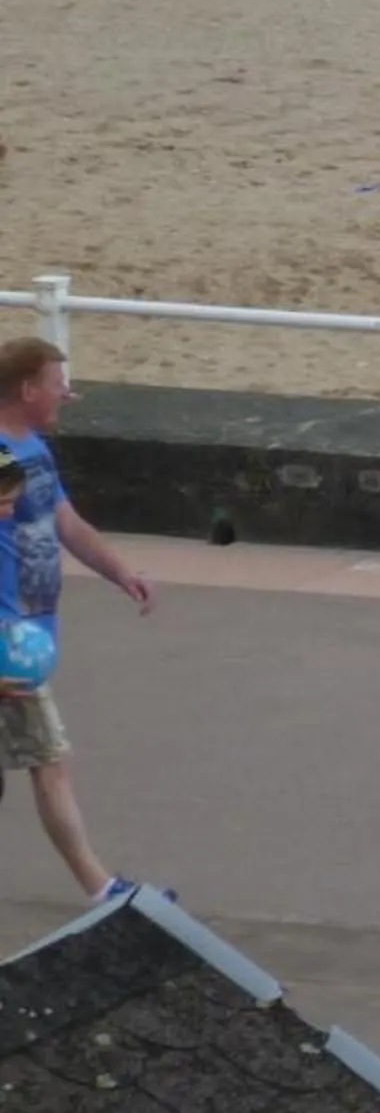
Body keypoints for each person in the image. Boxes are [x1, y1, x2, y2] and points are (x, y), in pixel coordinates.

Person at [0, 339, 159, 901]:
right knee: (50, 758)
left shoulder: (34, 454)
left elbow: (66, 523)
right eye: (55, 383)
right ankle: (102, 890)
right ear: (26, 390)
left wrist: (121, 571)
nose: (65, 393)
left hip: (27, 636)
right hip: (8, 643)